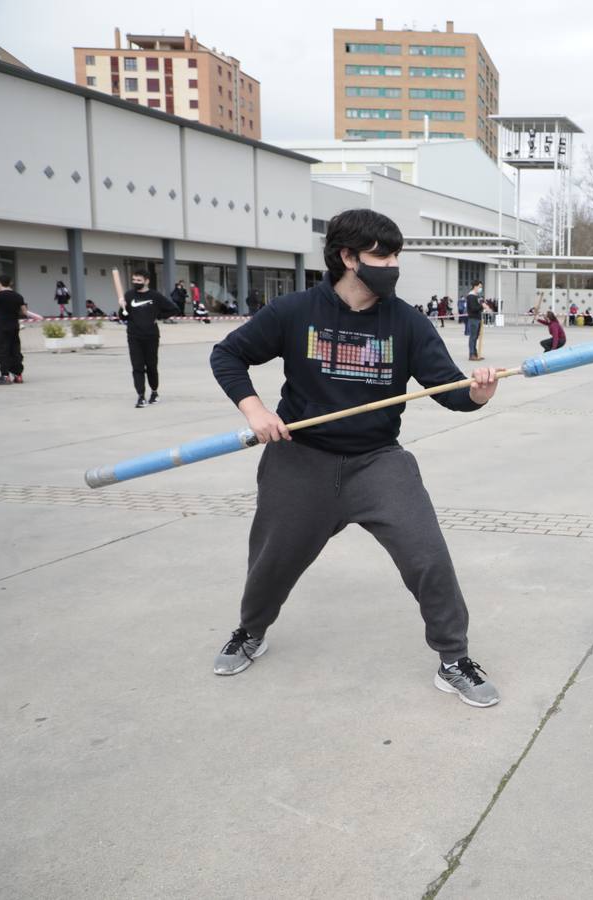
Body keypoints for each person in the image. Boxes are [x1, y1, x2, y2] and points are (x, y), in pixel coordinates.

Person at [207, 208, 501, 708]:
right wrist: (254, 408)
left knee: (427, 556)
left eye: (396, 255)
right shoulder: (294, 311)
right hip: (299, 459)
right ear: (347, 256)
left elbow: (448, 390)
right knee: (272, 564)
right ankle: (251, 631)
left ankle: (454, 658)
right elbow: (227, 355)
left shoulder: (406, 321)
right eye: (381, 255)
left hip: (376, 462)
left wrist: (478, 393)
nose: (392, 264)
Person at [120, 269, 178, 407]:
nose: (136, 283)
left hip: (151, 336)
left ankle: (154, 391)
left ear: (146, 281)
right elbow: (123, 316)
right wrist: (122, 307)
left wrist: (158, 316)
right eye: (134, 280)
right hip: (134, 335)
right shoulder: (128, 295)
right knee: (137, 366)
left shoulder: (155, 296)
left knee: (151, 366)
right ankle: (140, 396)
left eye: (139, 280)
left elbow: (174, 309)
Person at [0, 275, 43, 384]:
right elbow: (24, 312)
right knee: (15, 350)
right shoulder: (18, 296)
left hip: (3, 327)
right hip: (15, 326)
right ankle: (18, 375)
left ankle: (5, 376)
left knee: (2, 351)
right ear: (10, 283)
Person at [464, 280, 484, 361]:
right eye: (480, 287)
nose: (480, 288)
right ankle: (471, 354)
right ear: (475, 286)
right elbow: (473, 308)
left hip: (477, 319)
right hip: (473, 319)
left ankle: (475, 353)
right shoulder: (471, 296)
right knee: (473, 337)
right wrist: (482, 306)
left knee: (475, 337)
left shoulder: (476, 296)